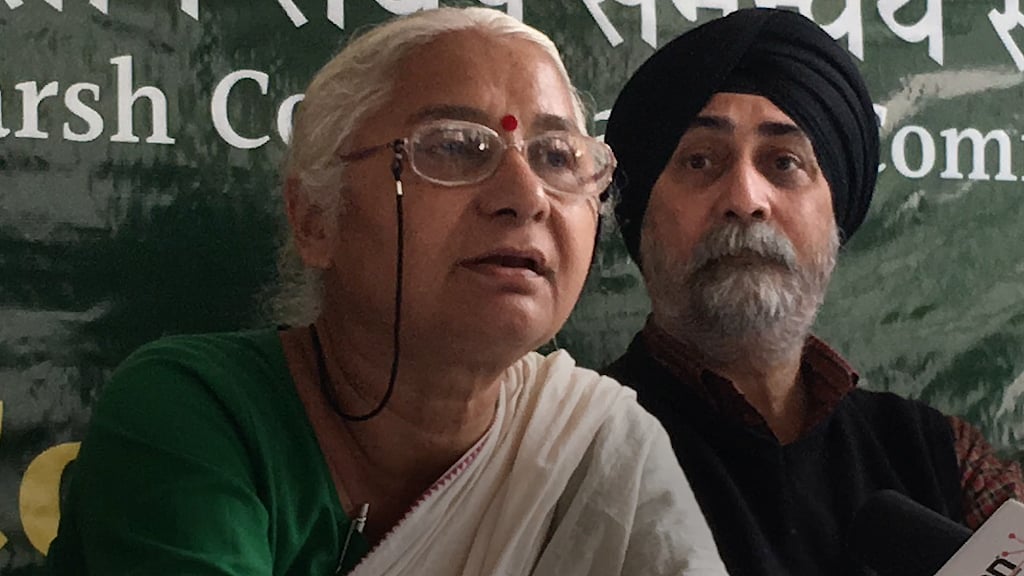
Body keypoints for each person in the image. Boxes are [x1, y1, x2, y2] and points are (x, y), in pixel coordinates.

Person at [46, 7, 729, 576]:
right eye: (454, 146)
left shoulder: (593, 446)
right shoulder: (197, 412)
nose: (526, 196)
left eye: (557, 157)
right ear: (316, 220)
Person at [601, 7, 1024, 576]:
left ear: (835, 218)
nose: (745, 198)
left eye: (784, 163)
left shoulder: (941, 456)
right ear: (640, 217)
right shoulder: (569, 447)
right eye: (700, 161)